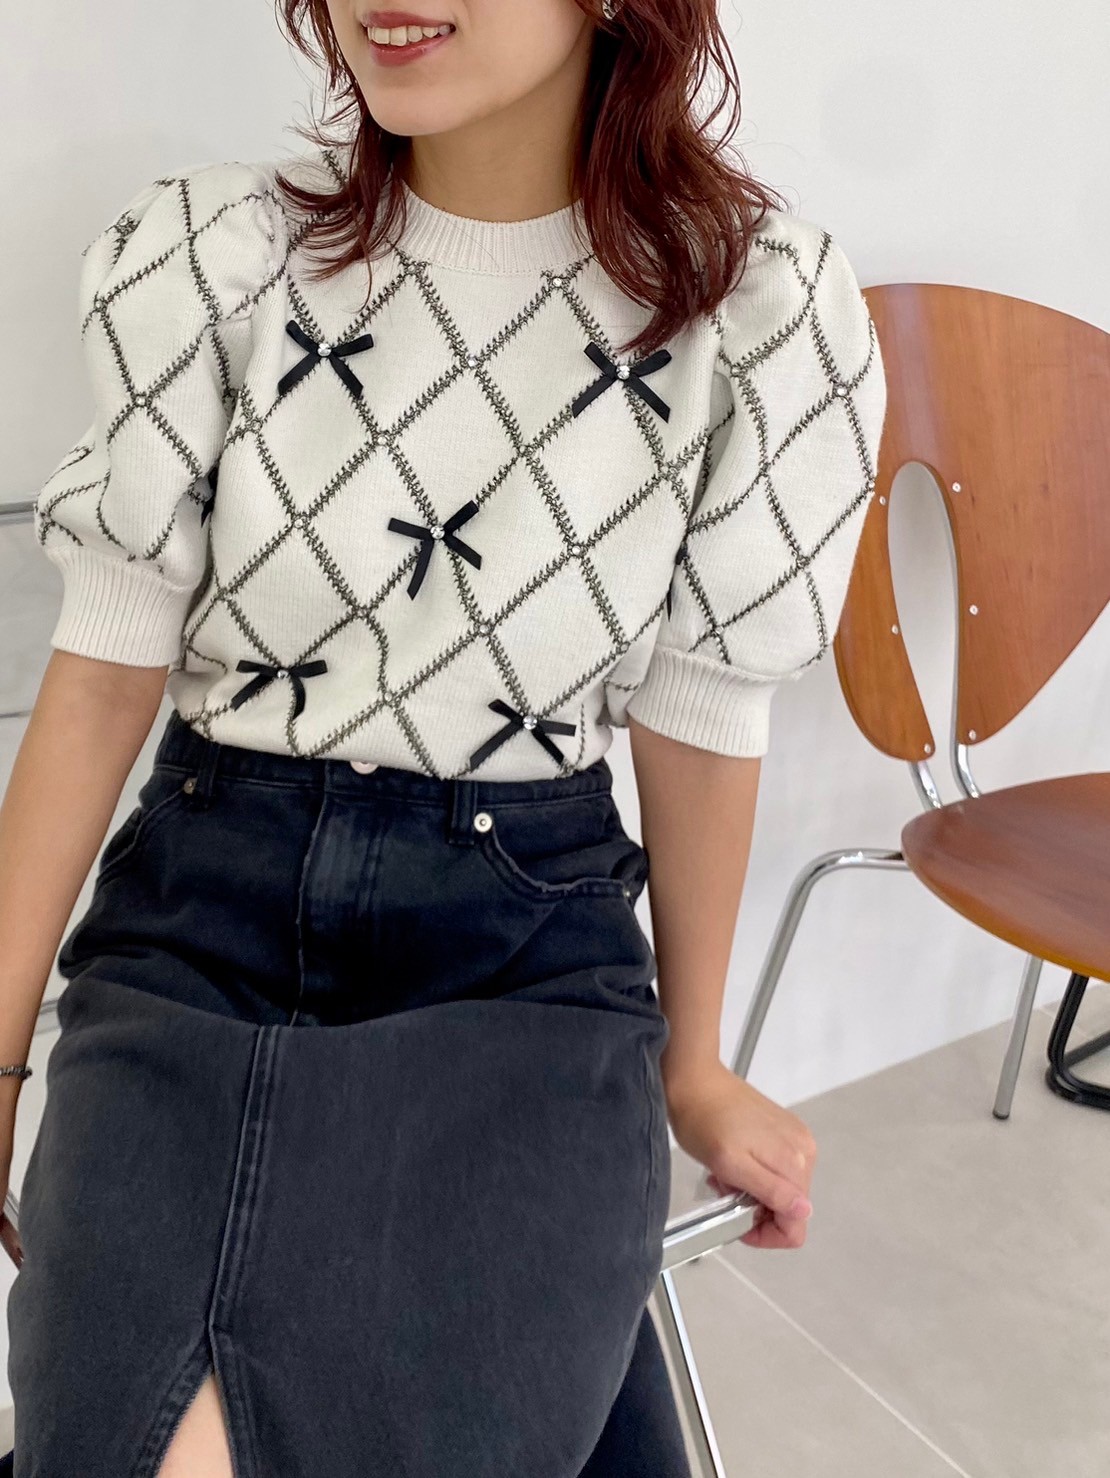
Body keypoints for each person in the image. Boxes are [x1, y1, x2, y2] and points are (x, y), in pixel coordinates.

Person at [0, 0, 887, 1473]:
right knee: (149, 1441)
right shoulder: (216, 258)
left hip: (521, 960)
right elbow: (99, 674)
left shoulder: (753, 311)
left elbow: (703, 717)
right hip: (199, 927)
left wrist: (696, 1065)